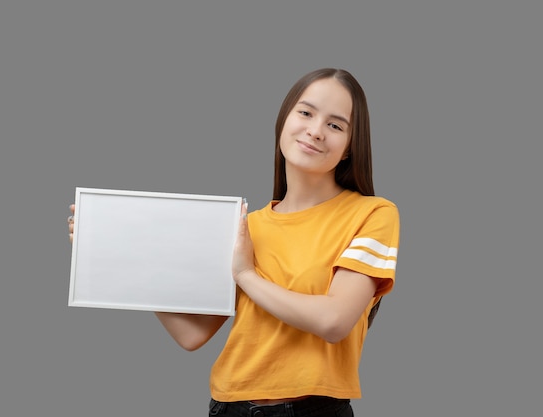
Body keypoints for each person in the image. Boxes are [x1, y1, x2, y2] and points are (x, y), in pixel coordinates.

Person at [67, 68, 399, 416]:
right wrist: (122, 255)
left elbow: (334, 321)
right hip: (229, 407)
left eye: (335, 125)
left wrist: (247, 276)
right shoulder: (244, 227)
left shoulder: (373, 214)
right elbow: (192, 335)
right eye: (305, 112)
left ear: (349, 147)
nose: (315, 131)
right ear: (283, 121)